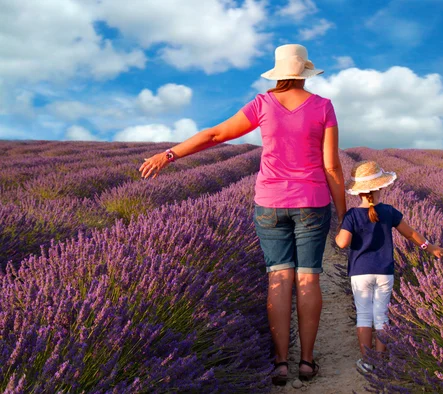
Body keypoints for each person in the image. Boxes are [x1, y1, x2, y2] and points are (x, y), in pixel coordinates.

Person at [139, 44, 346, 385]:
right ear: (305, 73)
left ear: (278, 73)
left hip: (269, 202)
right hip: (312, 202)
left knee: (278, 279)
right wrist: (342, 214)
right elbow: (332, 166)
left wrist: (169, 155)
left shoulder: (263, 104)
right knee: (308, 278)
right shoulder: (323, 107)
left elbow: (215, 134)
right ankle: (307, 362)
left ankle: (281, 362)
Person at [335, 160, 443, 373]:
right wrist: (429, 247)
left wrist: (343, 225)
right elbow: (411, 233)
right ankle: (382, 360)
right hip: (385, 271)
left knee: (364, 316)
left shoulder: (352, 215)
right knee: (381, 315)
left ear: (359, 193)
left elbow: (342, 243)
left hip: (360, 273)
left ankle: (368, 362)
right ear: (381, 188)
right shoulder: (389, 212)